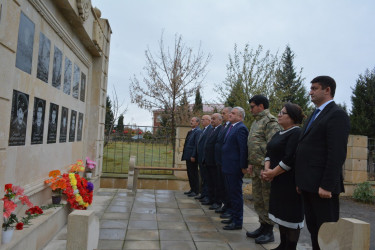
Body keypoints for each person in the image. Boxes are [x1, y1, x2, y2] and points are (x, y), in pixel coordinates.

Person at [295, 76, 350, 250]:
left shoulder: (337, 115)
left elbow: (337, 153)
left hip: (322, 187)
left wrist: (327, 185)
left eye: (314, 88)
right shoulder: (315, 114)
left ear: (327, 90)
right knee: (313, 228)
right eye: (310, 88)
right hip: (308, 184)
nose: (310, 92)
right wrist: (300, 182)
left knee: (327, 232)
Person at [261, 103, 305, 250]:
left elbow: (290, 157)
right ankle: (282, 244)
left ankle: (290, 246)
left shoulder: (296, 133)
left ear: (292, 117)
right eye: (279, 112)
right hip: (277, 180)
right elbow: (269, 153)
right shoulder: (278, 133)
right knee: (279, 214)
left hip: (289, 182)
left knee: (290, 215)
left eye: (283, 113)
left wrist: (273, 173)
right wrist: (267, 171)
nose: (279, 114)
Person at [246, 95, 280, 244]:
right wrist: (251, 162)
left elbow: (273, 146)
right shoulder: (256, 121)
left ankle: (269, 231)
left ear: (261, 106)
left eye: (252, 106)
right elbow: (254, 145)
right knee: (258, 199)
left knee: (267, 199)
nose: (251, 109)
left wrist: (268, 168)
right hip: (256, 166)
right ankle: (262, 226)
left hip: (265, 168)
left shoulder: (270, 121)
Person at [221, 107, 249, 230]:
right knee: (230, 194)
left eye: (233, 113)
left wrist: (243, 166)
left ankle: (237, 222)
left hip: (234, 167)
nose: (230, 115)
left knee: (236, 195)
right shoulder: (232, 127)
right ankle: (233, 216)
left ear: (240, 116)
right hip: (227, 166)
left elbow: (243, 149)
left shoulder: (241, 128)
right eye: (230, 113)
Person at [203, 113, 223, 210]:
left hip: (215, 162)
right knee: (209, 181)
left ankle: (217, 201)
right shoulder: (211, 129)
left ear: (220, 120)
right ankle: (210, 199)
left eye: (214, 119)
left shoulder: (221, 129)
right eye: (211, 119)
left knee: (216, 183)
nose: (212, 120)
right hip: (208, 160)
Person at [214, 107, 232, 215]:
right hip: (220, 160)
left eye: (224, 113)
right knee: (221, 185)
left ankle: (229, 208)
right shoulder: (225, 126)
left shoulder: (231, 127)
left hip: (227, 161)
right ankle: (225, 206)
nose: (222, 115)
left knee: (228, 187)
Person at [192, 115, 212, 202]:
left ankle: (207, 195)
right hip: (201, 157)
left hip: (205, 158)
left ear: (209, 121)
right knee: (203, 177)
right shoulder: (204, 130)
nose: (202, 121)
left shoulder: (210, 129)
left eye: (203, 120)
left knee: (207, 178)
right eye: (202, 119)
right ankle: (203, 194)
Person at [181, 117, 202, 197]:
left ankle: (195, 190)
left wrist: (193, 155)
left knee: (194, 173)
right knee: (190, 173)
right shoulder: (191, 131)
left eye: (193, 121)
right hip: (188, 155)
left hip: (192, 157)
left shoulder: (198, 131)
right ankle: (192, 189)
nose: (191, 122)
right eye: (191, 120)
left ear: (197, 123)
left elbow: (196, 145)